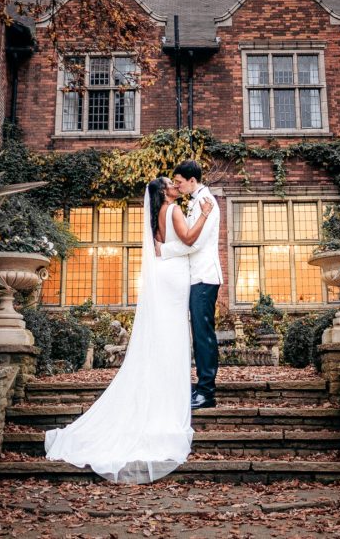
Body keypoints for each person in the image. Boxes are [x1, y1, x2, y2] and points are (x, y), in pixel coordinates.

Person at [44, 176, 212, 483]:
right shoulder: (172, 209)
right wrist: (203, 215)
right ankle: (167, 395)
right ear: (163, 192)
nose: (173, 184)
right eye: (168, 182)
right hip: (174, 277)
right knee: (173, 337)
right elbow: (188, 240)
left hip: (166, 275)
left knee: (167, 336)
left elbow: (165, 246)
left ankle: (164, 389)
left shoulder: (160, 213)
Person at [157, 159, 222, 410]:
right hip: (196, 277)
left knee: (203, 335)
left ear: (192, 181)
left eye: (180, 182)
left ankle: (207, 392)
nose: (177, 186)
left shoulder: (208, 203)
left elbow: (193, 243)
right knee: (199, 334)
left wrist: (163, 250)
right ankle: (202, 387)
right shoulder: (196, 201)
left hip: (204, 277)